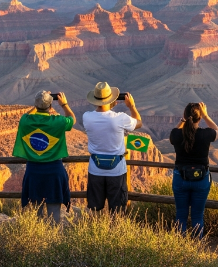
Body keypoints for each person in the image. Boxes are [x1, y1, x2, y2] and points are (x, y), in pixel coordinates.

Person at [13, 91, 76, 223]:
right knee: (55, 214)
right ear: (50, 106)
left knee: (36, 214)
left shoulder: (25, 121)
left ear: (35, 106)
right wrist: (64, 104)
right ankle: (54, 241)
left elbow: (27, 114)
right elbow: (72, 119)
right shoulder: (57, 121)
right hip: (54, 171)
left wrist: (37, 105)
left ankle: (39, 241)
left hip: (34, 172)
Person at [82, 82, 142, 213]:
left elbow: (102, 116)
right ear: (112, 99)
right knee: (118, 209)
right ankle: (115, 231)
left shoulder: (86, 117)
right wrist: (132, 106)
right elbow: (138, 122)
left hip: (95, 170)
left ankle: (95, 231)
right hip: (117, 170)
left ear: (94, 99)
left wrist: (109, 105)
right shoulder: (120, 118)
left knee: (94, 209)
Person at [170, 102, 218, 237]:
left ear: (185, 116)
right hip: (201, 179)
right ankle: (196, 251)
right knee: (198, 215)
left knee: (180, 214)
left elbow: (172, 134)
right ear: (200, 117)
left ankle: (180, 248)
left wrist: (182, 120)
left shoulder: (176, 134)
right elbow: (217, 131)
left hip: (180, 177)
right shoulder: (206, 134)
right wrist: (206, 115)